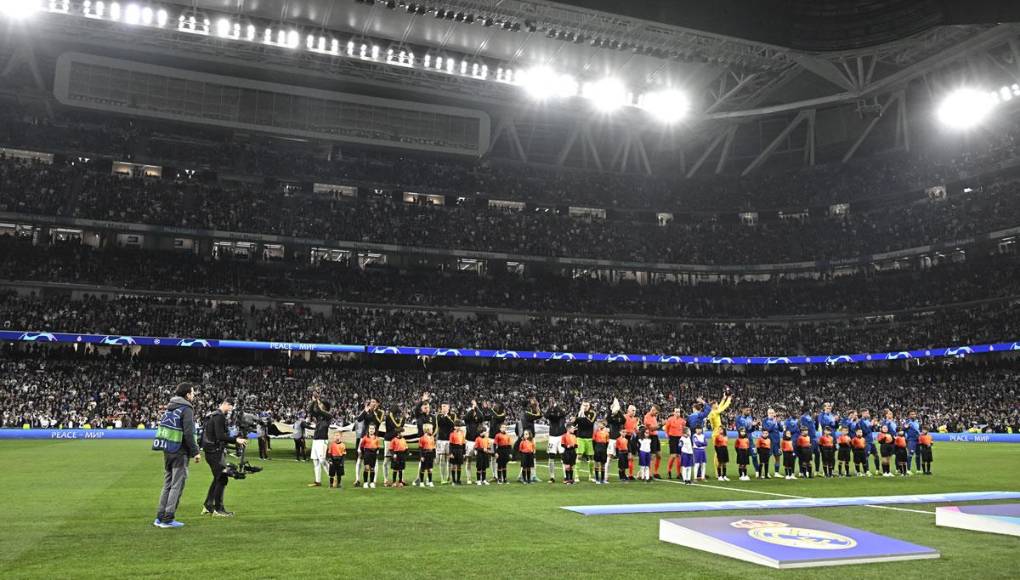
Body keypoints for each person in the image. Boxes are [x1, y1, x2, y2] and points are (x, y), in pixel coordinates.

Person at [153, 382, 201, 528]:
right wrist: (196, 452)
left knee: (167, 484)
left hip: (168, 450)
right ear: (187, 395)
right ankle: (168, 519)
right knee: (176, 486)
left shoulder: (170, 407)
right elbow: (188, 432)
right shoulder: (187, 409)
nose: (194, 395)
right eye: (193, 393)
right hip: (180, 451)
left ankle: (159, 517)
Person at [201, 394, 247, 517]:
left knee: (218, 478)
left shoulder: (213, 415)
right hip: (214, 452)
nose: (231, 409)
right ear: (226, 403)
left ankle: (208, 505)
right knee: (222, 478)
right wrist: (236, 440)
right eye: (231, 406)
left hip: (210, 451)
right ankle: (218, 509)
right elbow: (220, 436)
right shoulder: (219, 417)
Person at [354, 399, 383, 488]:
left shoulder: (380, 412)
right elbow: (359, 420)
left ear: (378, 403)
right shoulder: (366, 411)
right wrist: (364, 411)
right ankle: (357, 479)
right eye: (371, 402)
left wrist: (374, 413)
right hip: (364, 437)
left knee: (375, 460)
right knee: (359, 458)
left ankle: (373, 480)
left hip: (374, 438)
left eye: (374, 402)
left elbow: (379, 423)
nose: (372, 403)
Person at [306, 394, 332, 488]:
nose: (319, 405)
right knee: (316, 461)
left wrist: (317, 400)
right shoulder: (319, 416)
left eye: (321, 404)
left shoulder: (328, 415)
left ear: (325, 406)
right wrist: (314, 401)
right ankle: (317, 481)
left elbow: (319, 410)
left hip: (322, 440)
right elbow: (310, 410)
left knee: (322, 460)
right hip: (316, 440)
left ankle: (332, 478)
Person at [544, 399, 567, 483]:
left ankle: (566, 476)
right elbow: (546, 415)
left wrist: (556, 406)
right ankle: (552, 477)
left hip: (561, 436)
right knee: (551, 457)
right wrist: (550, 407)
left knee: (563, 456)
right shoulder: (551, 414)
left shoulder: (561, 412)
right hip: (552, 437)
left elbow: (563, 413)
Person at [383, 404, 406, 486]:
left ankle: (400, 480)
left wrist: (403, 419)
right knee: (387, 460)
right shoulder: (389, 417)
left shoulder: (396, 417)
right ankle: (386, 479)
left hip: (396, 440)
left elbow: (399, 428)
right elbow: (398, 427)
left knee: (399, 460)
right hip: (389, 440)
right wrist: (403, 419)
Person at [463, 400, 484, 484]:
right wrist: (472, 409)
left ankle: (481, 478)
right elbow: (466, 417)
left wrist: (476, 408)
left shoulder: (478, 421)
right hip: (469, 442)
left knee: (480, 461)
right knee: (468, 460)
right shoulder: (467, 421)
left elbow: (481, 417)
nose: (474, 413)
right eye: (473, 411)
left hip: (477, 442)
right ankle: (469, 478)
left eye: (475, 412)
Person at [575, 401, 597, 482]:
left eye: (587, 405)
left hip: (589, 438)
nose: (585, 406)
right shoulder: (579, 413)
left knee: (591, 457)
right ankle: (576, 475)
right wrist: (579, 416)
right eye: (584, 405)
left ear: (589, 406)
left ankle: (591, 476)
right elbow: (574, 423)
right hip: (580, 437)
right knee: (579, 456)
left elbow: (590, 423)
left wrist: (583, 416)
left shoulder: (593, 413)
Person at [436, 403, 456, 484]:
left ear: (448, 407)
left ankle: (449, 476)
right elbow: (439, 424)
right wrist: (444, 416)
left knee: (449, 459)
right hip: (441, 440)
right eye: (442, 406)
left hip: (449, 440)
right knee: (441, 459)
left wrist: (446, 416)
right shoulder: (438, 416)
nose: (443, 408)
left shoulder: (453, 415)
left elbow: (453, 425)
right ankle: (442, 478)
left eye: (445, 406)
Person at [664, 408, 687, 480]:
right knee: (673, 455)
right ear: (674, 412)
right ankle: (669, 471)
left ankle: (678, 473)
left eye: (679, 412)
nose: (678, 413)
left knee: (679, 456)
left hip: (680, 439)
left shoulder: (682, 421)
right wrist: (667, 435)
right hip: (673, 438)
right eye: (676, 412)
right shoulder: (670, 419)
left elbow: (684, 430)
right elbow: (666, 428)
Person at [735, 407, 757, 476]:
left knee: (754, 455)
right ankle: (742, 474)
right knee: (743, 457)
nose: (748, 411)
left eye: (749, 410)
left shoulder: (750, 417)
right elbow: (740, 429)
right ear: (742, 410)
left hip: (750, 440)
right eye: (747, 410)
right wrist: (750, 425)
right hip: (742, 441)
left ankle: (757, 472)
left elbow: (751, 430)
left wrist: (754, 426)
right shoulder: (738, 418)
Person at [643, 404, 663, 479]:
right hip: (650, 437)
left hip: (655, 436)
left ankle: (655, 472)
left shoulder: (655, 416)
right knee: (652, 456)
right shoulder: (647, 417)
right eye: (652, 410)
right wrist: (660, 425)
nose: (654, 412)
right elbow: (651, 428)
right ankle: (649, 473)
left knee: (659, 455)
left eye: (655, 411)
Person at [359, 424, 381, 488]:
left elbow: (378, 447)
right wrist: (364, 454)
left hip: (373, 454)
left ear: (374, 430)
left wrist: (376, 452)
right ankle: (365, 482)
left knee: (372, 468)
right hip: (367, 453)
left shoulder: (376, 438)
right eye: (370, 428)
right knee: (366, 468)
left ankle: (371, 482)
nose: (371, 430)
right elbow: (361, 446)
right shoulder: (365, 437)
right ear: (368, 430)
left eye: (373, 429)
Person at [763, 409, 783, 475]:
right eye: (770, 413)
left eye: (773, 413)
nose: (772, 414)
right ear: (768, 413)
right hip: (769, 442)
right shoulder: (765, 420)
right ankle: (767, 472)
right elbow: (767, 430)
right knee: (767, 457)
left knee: (777, 456)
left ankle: (776, 472)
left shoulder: (776, 420)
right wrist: (774, 423)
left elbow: (781, 430)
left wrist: (779, 423)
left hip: (777, 441)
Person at [416, 423, 437, 487]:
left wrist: (434, 457)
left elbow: (434, 448)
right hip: (425, 454)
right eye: (431, 429)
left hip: (430, 454)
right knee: (423, 469)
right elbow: (420, 448)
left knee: (430, 469)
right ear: (427, 430)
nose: (432, 430)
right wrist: (422, 456)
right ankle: (421, 482)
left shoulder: (432, 437)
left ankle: (430, 481)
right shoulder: (422, 438)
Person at [449, 420, 467, 486]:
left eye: (459, 426)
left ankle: (458, 480)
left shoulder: (462, 433)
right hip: (454, 450)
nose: (458, 427)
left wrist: (464, 452)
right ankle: (453, 481)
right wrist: (451, 453)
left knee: (459, 466)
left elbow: (463, 443)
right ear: (454, 427)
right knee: (453, 466)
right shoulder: (452, 434)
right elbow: (450, 444)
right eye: (456, 426)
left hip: (460, 450)